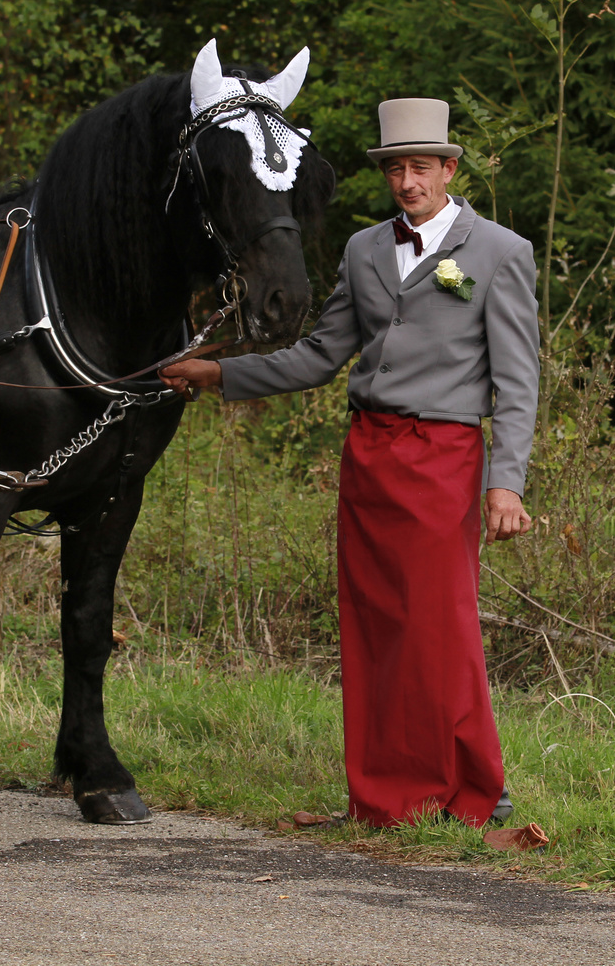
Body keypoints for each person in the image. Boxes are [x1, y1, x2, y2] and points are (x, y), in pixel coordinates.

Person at [162, 98, 540, 827]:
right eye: (396, 168)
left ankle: (479, 794)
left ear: (449, 169)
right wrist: (223, 376)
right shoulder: (365, 249)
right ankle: (384, 799)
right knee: (373, 627)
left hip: (445, 457)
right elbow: (320, 355)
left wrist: (506, 484)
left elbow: (518, 383)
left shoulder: (499, 252)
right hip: (368, 457)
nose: (407, 181)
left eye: (421, 167)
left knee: (442, 625)